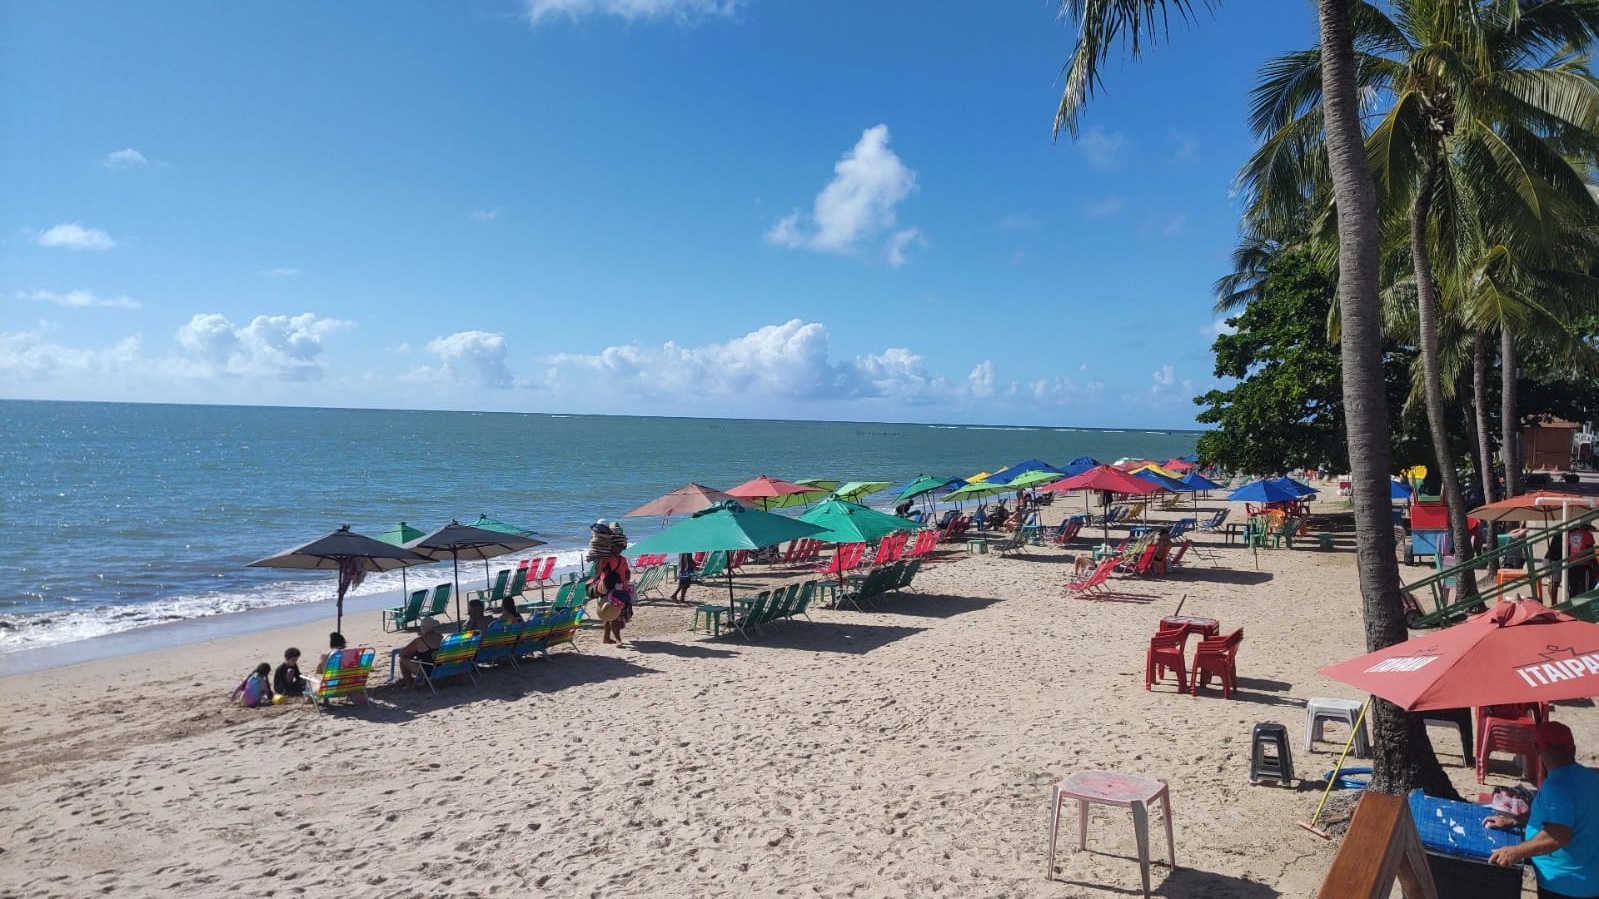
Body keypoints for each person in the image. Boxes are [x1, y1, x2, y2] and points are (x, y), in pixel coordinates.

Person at [1487, 721, 1599, 898]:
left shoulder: (1558, 786)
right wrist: (1515, 820)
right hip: (1589, 879)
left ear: (1538, 750)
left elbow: (1558, 835)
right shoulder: (1590, 778)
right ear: (1573, 749)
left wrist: (1516, 852)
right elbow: (1560, 816)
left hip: (1566, 885)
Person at [398, 617, 445, 687]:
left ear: (423, 628)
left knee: (402, 660)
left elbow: (402, 654)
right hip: (443, 667)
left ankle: (409, 684)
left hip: (429, 670)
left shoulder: (420, 641)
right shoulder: (441, 637)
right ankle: (423, 681)